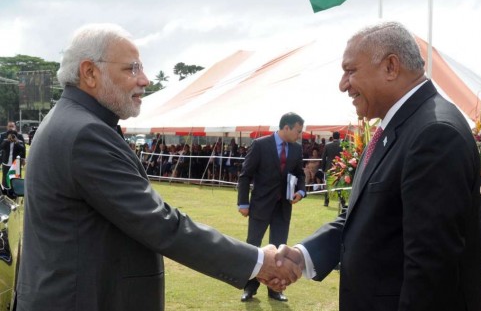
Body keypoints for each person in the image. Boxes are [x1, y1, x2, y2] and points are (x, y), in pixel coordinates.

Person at [16, 24, 302, 311]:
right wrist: (257, 262)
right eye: (132, 69)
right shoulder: (84, 133)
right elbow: (160, 223)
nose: (145, 80)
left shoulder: (74, 122)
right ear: (90, 73)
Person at [272, 21, 481, 311]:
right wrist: (304, 255)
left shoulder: (434, 134)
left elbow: (430, 273)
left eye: (350, 71)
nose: (342, 85)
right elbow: (366, 216)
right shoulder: (399, 126)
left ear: (390, 67)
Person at [237, 112, 306, 302]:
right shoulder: (260, 145)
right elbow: (245, 175)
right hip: (260, 205)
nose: (299, 135)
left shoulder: (297, 149)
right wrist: (243, 203)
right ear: (286, 128)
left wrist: (301, 191)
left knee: (279, 250)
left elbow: (300, 174)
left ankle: (275, 290)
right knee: (253, 246)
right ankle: (249, 288)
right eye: (298, 131)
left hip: (283, 208)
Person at [1, 121, 25, 195]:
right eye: (10, 126)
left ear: (15, 127)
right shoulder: (4, 137)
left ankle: (15, 194)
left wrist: (16, 141)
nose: (11, 128)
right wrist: (8, 140)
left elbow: (22, 149)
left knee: (15, 178)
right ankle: (5, 192)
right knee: (5, 178)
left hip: (16, 163)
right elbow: (1, 147)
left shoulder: (19, 137)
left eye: (12, 126)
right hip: (6, 162)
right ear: (7, 127)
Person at [321, 131, 342, 206]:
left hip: (329, 167)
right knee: (339, 184)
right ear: (339, 137)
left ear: (332, 137)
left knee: (328, 185)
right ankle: (342, 201)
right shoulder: (342, 145)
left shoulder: (327, 146)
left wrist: (323, 168)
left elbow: (323, 158)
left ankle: (326, 202)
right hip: (339, 167)